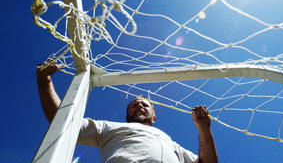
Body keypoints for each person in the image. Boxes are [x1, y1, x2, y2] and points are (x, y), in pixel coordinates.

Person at [36, 62, 218, 163]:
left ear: (154, 116)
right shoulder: (108, 128)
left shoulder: (170, 143)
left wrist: (203, 128)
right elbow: (63, 122)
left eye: (145, 105)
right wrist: (45, 83)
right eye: (134, 105)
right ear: (127, 114)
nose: (139, 106)